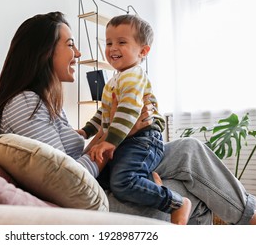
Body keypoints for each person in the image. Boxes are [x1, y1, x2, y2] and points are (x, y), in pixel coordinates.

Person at [0, 11, 256, 225]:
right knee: (190, 193)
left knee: (190, 149)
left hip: (102, 179)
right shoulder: (25, 104)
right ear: (44, 52)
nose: (78, 53)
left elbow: (71, 157)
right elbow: (66, 180)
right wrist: (119, 134)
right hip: (89, 201)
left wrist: (110, 133)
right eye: (70, 45)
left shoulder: (48, 104)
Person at [80, 14, 191, 225]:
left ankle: (176, 203)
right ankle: (151, 183)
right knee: (102, 181)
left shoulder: (133, 76)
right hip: (125, 139)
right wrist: (86, 131)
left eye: (122, 42)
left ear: (143, 51)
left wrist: (109, 142)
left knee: (123, 181)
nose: (113, 48)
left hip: (143, 139)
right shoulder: (114, 80)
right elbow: (103, 113)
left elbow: (129, 111)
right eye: (109, 42)